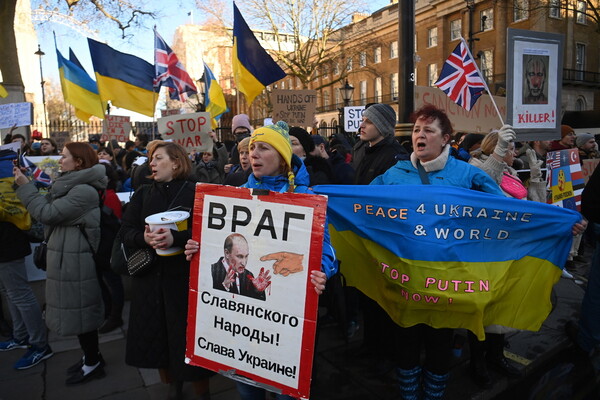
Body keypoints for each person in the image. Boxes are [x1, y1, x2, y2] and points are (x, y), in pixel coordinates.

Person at [185, 121, 337, 400]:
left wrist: (322, 270)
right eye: (252, 147)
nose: (253, 153)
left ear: (281, 160)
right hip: (241, 321)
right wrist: (198, 248)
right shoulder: (235, 196)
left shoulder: (306, 200)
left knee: (285, 392)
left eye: (263, 148)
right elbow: (218, 245)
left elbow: (328, 252)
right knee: (247, 389)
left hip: (286, 316)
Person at [370, 105, 504, 400]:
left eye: (428, 130)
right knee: (405, 340)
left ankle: (433, 395)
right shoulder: (396, 172)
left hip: (447, 279)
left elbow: (505, 209)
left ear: (445, 139)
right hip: (404, 276)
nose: (420, 135)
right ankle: (409, 394)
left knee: (439, 342)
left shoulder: (466, 173)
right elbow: (361, 205)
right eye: (417, 129)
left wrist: (558, 221)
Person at [120, 141, 213, 399]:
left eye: (158, 158)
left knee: (189, 338)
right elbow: (126, 231)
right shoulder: (142, 194)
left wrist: (177, 240)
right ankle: (172, 385)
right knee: (158, 337)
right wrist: (145, 239)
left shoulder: (197, 192)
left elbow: (211, 233)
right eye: (151, 158)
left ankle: (200, 390)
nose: (151, 163)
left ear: (175, 162)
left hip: (185, 279)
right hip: (150, 281)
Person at [13, 142, 107, 385]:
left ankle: (93, 362)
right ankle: (91, 357)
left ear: (79, 162)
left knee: (81, 314)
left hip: (75, 261)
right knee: (77, 313)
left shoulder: (83, 190)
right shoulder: (71, 184)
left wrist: (26, 188)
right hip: (68, 257)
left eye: (64, 157)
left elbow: (47, 214)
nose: (59, 160)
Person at [0, 220, 53, 370]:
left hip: (8, 248)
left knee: (21, 296)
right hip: (7, 247)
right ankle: (21, 336)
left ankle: (40, 345)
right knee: (10, 294)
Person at [211, 233, 270, 300]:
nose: (244, 263)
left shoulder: (248, 275)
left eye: (246, 256)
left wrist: (257, 291)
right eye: (239, 256)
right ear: (227, 253)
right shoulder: (212, 271)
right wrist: (224, 286)